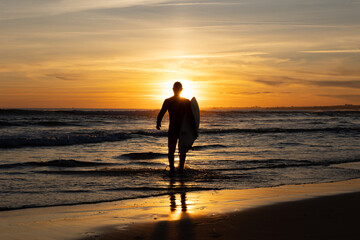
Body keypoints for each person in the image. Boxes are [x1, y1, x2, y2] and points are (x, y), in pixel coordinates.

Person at [156, 82, 192, 176]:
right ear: (181, 89)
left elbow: (161, 113)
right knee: (182, 150)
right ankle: (180, 170)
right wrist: (193, 131)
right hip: (182, 129)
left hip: (173, 128)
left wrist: (158, 123)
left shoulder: (168, 101)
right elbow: (191, 118)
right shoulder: (186, 102)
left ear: (173, 89)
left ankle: (172, 169)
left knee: (171, 150)